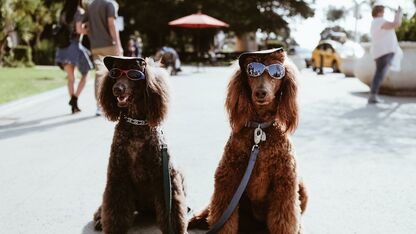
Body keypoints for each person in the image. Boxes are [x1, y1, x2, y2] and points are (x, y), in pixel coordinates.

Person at [84, 0, 123, 116]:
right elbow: (112, 24)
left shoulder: (90, 5)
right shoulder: (110, 3)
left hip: (95, 46)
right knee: (117, 73)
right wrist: (118, 44)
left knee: (99, 75)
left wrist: (92, 35)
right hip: (109, 45)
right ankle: (118, 103)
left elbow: (82, 27)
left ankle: (99, 106)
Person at [55, 0, 93, 114]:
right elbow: (79, 29)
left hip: (62, 47)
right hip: (74, 46)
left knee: (71, 78)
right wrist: (88, 30)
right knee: (86, 75)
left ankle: (74, 105)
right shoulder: (79, 11)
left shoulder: (63, 12)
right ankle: (74, 99)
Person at [369, 4, 402, 104]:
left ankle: (373, 96)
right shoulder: (379, 21)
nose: (383, 13)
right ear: (379, 12)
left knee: (379, 74)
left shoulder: (374, 22)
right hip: (384, 52)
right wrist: (399, 14)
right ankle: (372, 96)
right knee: (379, 75)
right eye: (383, 11)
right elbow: (396, 24)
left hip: (381, 52)